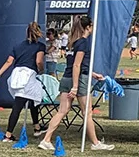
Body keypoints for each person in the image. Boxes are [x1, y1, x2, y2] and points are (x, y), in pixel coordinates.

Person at [39, 16, 113, 151]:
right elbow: (77, 65)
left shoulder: (72, 43)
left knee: (62, 111)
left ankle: (46, 139)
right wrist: (75, 86)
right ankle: (96, 143)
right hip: (77, 80)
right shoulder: (83, 43)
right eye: (91, 26)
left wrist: (93, 74)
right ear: (88, 27)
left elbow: (76, 64)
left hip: (67, 78)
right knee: (87, 112)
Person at [0, 22, 46, 141]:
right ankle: (8, 134)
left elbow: (8, 62)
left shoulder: (18, 46)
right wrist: (41, 70)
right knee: (20, 105)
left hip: (16, 75)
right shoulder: (40, 46)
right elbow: (38, 61)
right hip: (27, 76)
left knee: (34, 99)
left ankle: (37, 127)